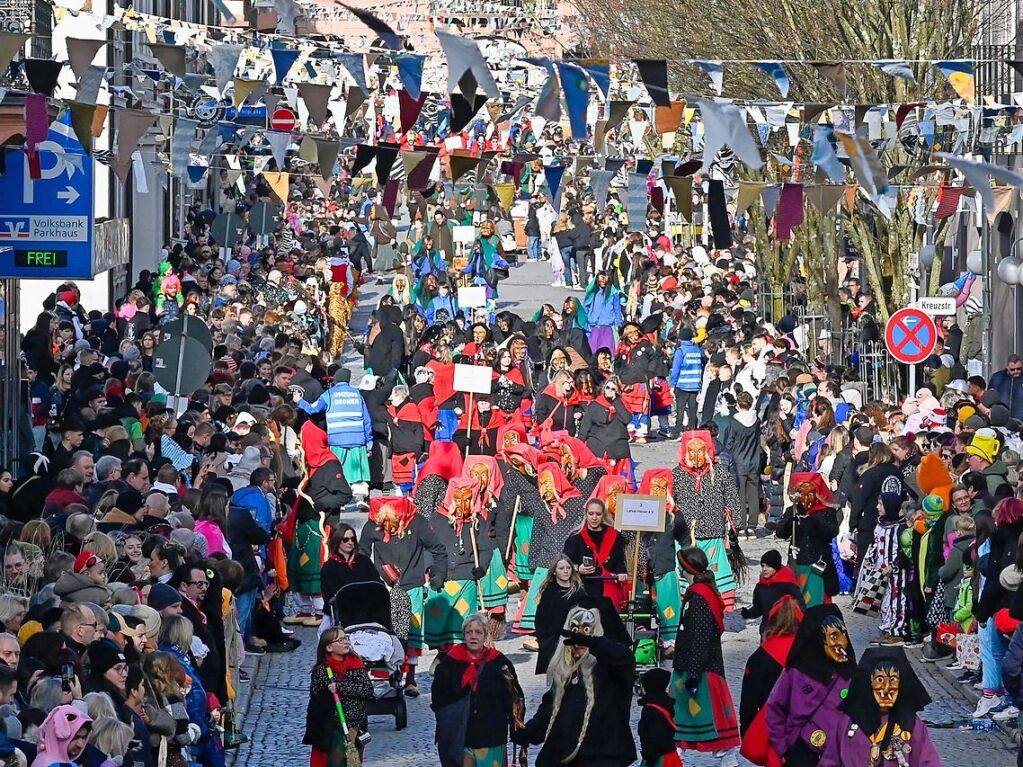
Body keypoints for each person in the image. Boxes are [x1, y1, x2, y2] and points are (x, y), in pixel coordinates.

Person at [514, 606, 636, 767]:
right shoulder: (566, 672)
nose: (580, 640)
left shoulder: (610, 668)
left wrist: (596, 644)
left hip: (604, 756)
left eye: (586, 630)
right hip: (568, 756)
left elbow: (625, 659)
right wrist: (529, 732)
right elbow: (549, 711)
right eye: (575, 632)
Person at [360, 497, 447, 695]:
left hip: (411, 586)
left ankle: (410, 678)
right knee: (385, 632)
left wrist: (437, 572)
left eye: (392, 526)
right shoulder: (372, 526)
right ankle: (388, 675)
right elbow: (362, 553)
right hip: (384, 587)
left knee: (412, 633)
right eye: (385, 527)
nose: (389, 531)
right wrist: (370, 576)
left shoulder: (417, 522)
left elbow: (438, 549)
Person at [671, 546, 740, 766]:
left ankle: (726, 757)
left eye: (681, 566)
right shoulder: (697, 593)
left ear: (687, 568)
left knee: (709, 717)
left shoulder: (700, 598)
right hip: (690, 667)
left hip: (700, 670)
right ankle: (674, 756)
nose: (679, 570)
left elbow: (700, 639)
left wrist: (693, 675)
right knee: (680, 717)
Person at [765, 604, 857, 767]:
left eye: (842, 635)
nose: (840, 643)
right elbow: (775, 708)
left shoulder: (852, 673)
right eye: (833, 637)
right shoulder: (796, 671)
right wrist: (783, 748)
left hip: (839, 755)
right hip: (801, 752)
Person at [817, 648, 940, 767]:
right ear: (868, 683)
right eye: (880, 679)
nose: (886, 688)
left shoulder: (910, 724)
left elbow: (928, 762)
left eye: (892, 680)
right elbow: (829, 762)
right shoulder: (848, 721)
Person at [431, 613, 522, 767]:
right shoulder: (449, 663)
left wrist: (515, 728)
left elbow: (514, 698)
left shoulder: (499, 663)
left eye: (478, 632)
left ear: (486, 635)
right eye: (469, 632)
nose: (473, 636)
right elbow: (438, 699)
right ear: (463, 635)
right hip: (460, 737)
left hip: (491, 736)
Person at [671, 430, 743, 610]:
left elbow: (732, 497)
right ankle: (687, 604)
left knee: (716, 571)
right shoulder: (676, 475)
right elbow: (668, 501)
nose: (696, 456)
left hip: (713, 534)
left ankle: (719, 606)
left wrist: (736, 524)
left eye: (700, 450)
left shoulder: (719, 472)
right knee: (686, 571)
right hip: (686, 536)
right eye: (692, 451)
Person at [739, 596, 804, 767]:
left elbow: (748, 702)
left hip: (772, 730)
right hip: (805, 731)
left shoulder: (760, 657)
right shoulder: (810, 654)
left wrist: (747, 734)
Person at [297, 369, 374, 501]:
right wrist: (368, 441)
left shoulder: (329, 394)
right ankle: (360, 496)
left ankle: (339, 498)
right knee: (358, 471)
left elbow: (313, 409)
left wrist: (300, 401)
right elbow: (366, 420)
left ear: (336, 379)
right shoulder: (357, 394)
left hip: (337, 440)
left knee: (337, 470)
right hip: (357, 439)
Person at [303, 627, 374, 767]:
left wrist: (341, 687)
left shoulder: (357, 665)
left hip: (355, 725)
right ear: (329, 647)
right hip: (332, 726)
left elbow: (367, 690)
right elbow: (318, 700)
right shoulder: (322, 671)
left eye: (346, 638)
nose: (346, 642)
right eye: (340, 640)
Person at [776, 473, 841, 607]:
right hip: (797, 564)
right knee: (797, 602)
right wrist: (790, 522)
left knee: (816, 603)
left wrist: (814, 523)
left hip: (818, 564)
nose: (806, 499)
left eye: (810, 494)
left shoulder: (826, 512)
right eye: (802, 494)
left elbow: (832, 532)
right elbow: (781, 532)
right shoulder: (792, 511)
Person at [563, 498, 628, 609]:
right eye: (591, 513)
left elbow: (620, 560)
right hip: (583, 587)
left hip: (609, 587)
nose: (594, 518)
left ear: (603, 515)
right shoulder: (575, 537)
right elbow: (564, 563)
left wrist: (622, 572)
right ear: (586, 514)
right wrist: (578, 569)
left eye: (598, 514)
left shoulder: (615, 536)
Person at [741, 550, 802, 635]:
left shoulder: (788, 585)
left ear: (776, 567)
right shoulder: (761, 587)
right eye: (762, 566)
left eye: (768, 566)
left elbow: (800, 606)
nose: (764, 569)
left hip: (785, 629)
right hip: (766, 629)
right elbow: (758, 608)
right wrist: (749, 613)